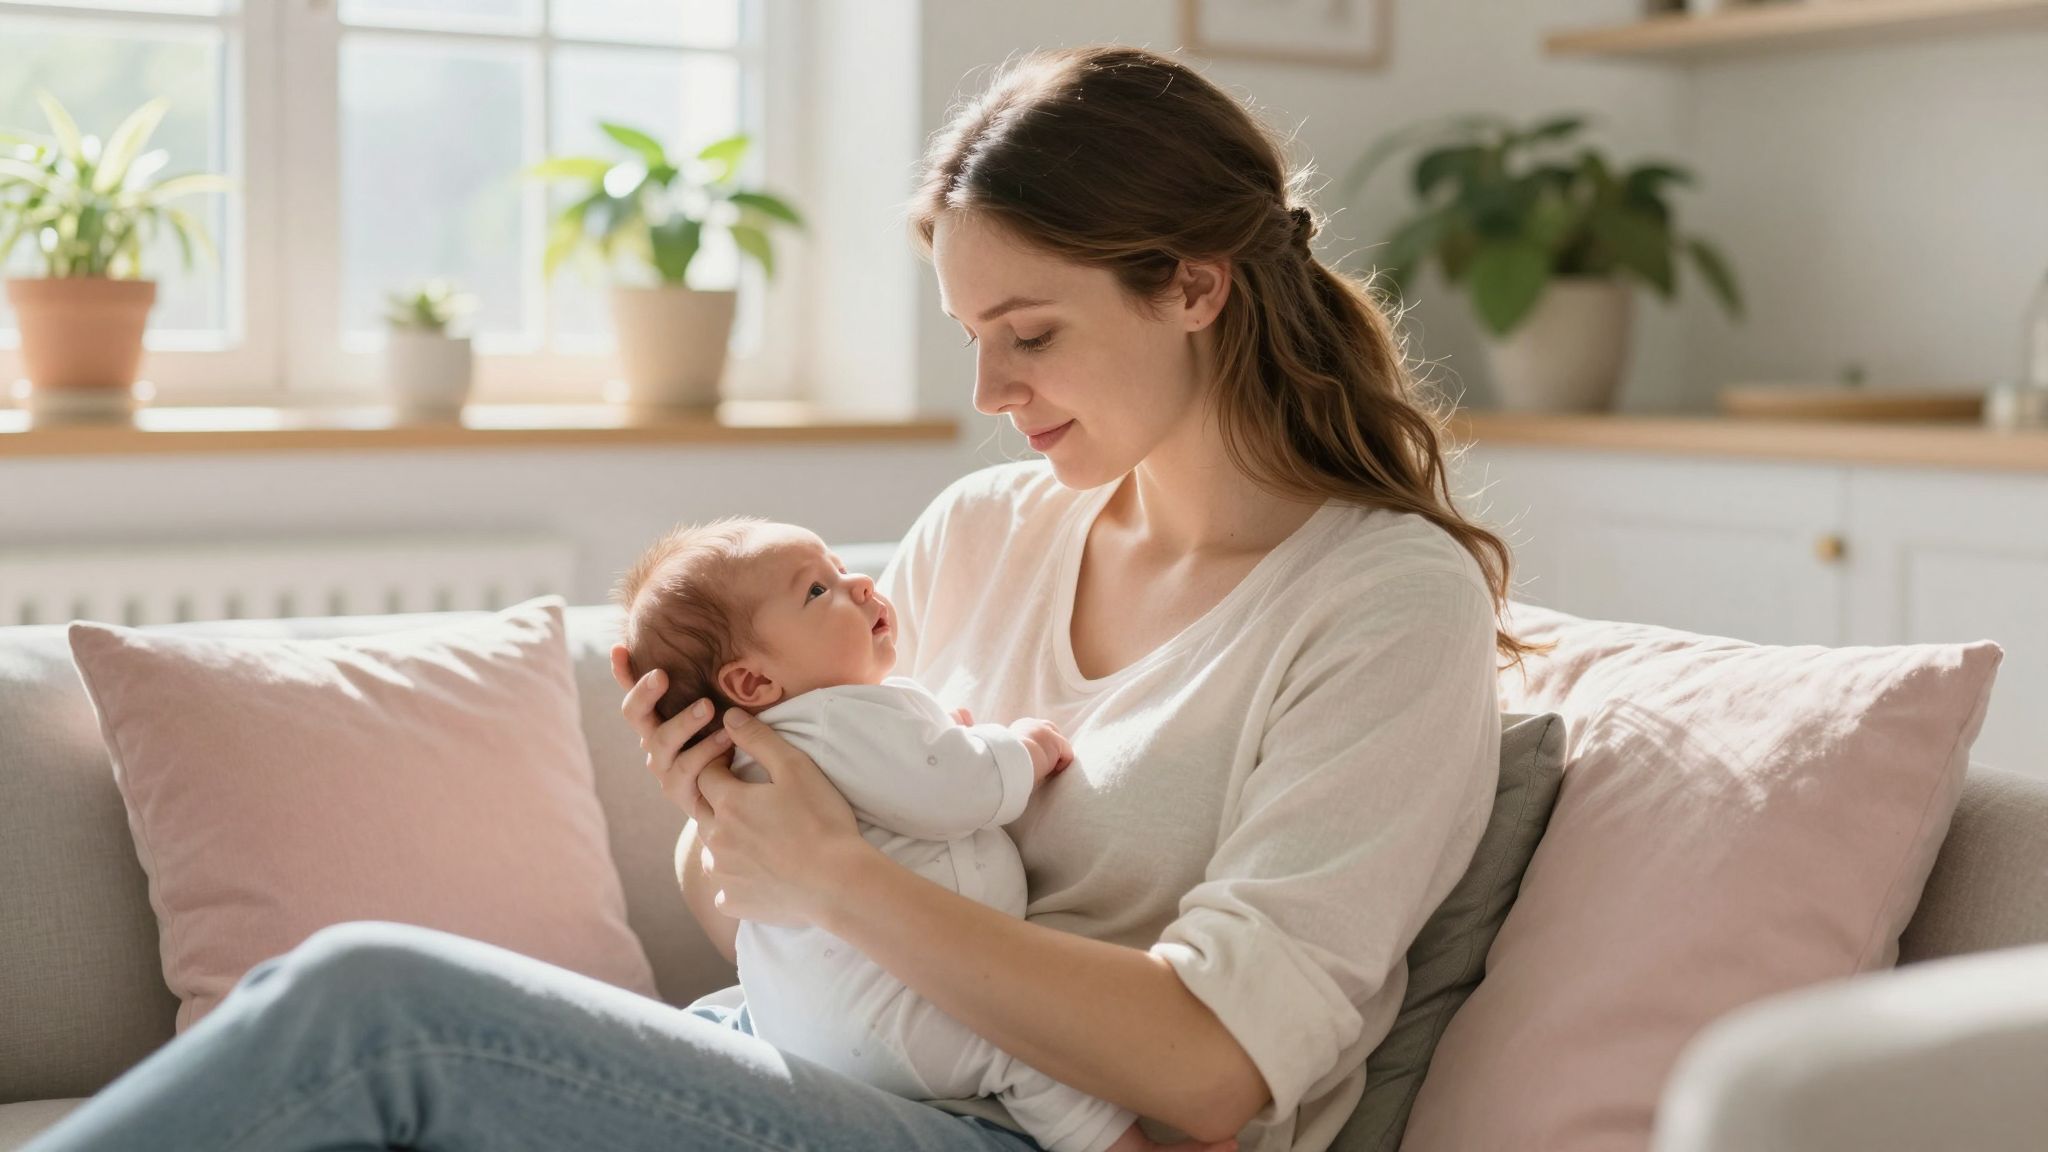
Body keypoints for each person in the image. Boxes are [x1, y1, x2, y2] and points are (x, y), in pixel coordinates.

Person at [22, 43, 1534, 1152]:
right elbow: (774, 894)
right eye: (967, 334)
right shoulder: (987, 531)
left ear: (1194, 287)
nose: (992, 390)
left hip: (1056, 1137)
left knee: (378, 1011)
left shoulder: (1384, 606)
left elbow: (1215, 1070)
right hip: (842, 1060)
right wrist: (730, 828)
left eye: (1029, 333)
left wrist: (838, 880)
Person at [613, 516, 1157, 1152]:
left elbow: (902, 772)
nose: (861, 584)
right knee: (1030, 1054)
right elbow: (959, 789)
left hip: (802, 1028)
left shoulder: (764, 749)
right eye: (818, 591)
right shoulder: (841, 718)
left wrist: (935, 735)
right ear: (754, 682)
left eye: (840, 568)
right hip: (895, 1015)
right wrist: (1022, 751)